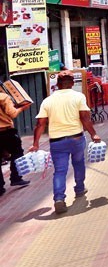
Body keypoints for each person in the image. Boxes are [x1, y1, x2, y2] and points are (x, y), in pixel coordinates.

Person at [30, 70, 102, 214]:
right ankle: (79, 189)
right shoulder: (78, 97)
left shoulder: (48, 101)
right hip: (76, 138)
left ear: (57, 84)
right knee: (79, 164)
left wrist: (35, 143)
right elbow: (85, 118)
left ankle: (59, 199)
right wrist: (93, 134)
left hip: (57, 142)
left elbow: (40, 124)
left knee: (60, 171)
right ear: (72, 83)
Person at [0, 89, 32, 197]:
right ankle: (16, 177)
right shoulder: (3, 97)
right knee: (17, 153)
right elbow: (12, 113)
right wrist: (22, 108)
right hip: (6, 131)